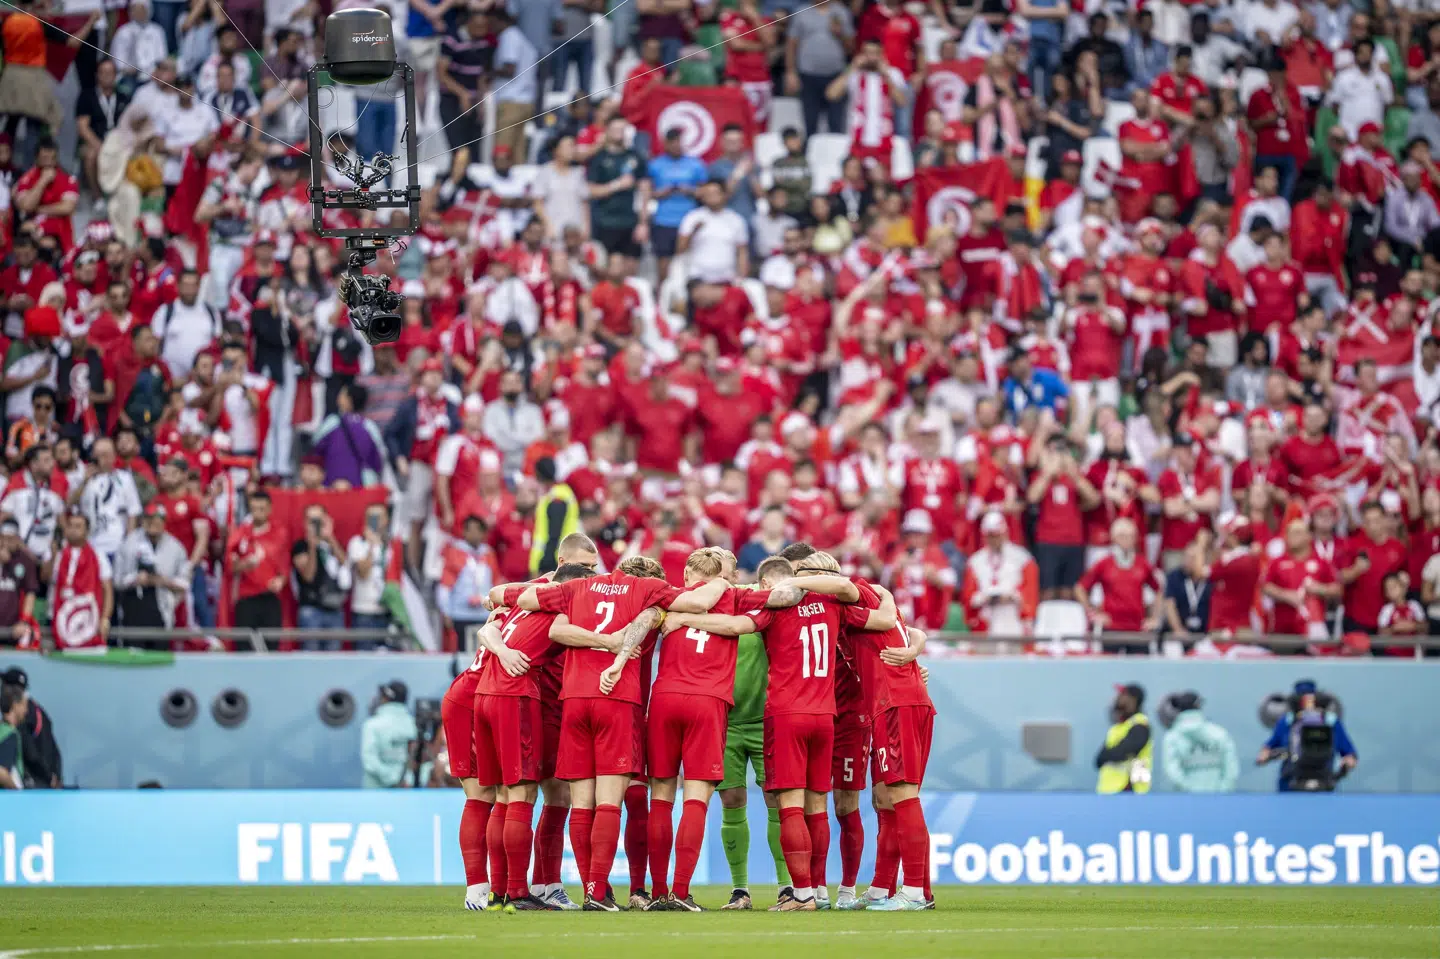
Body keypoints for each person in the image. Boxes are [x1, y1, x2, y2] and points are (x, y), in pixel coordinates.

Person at [495, 555, 731, 910]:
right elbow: (697, 601)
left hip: (573, 698)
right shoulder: (647, 592)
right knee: (613, 801)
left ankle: (593, 890)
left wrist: (507, 594)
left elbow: (531, 607)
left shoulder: (579, 587)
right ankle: (608, 889)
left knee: (581, 802)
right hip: (620, 699)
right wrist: (725, 581)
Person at [462, 562, 617, 911]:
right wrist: (609, 640)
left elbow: (487, 627)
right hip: (514, 694)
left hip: (485, 693)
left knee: (503, 794)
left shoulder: (523, 603)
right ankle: (517, 891)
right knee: (521, 793)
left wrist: (501, 650)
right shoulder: (559, 604)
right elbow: (563, 634)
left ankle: (499, 891)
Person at [1258, 680, 1357, 791]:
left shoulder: (1331, 722)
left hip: (1324, 782)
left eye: (1311, 699)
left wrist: (1345, 766)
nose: (1309, 705)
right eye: (1304, 699)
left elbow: (1349, 754)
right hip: (1291, 783)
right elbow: (1267, 748)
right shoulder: (1287, 721)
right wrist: (1268, 755)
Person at [112, 503, 190, 630]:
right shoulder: (129, 543)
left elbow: (185, 583)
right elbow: (117, 579)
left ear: (164, 522)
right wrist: (136, 579)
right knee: (134, 647)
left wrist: (165, 581)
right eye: (149, 519)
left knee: (159, 647)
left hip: (163, 608)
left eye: (157, 520)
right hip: (134, 606)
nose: (152, 523)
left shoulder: (176, 548)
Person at [291, 504, 351, 648]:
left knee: (333, 660)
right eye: (311, 520)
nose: (315, 524)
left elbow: (345, 564)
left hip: (335, 609)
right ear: (305, 523)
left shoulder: (332, 545)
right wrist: (312, 546)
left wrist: (330, 538)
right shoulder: (301, 546)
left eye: (318, 520)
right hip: (311, 610)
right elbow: (308, 576)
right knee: (311, 658)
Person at [1160, 691, 1239, 793]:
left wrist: (1189, 789)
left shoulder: (1172, 737)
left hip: (1186, 801)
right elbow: (1231, 767)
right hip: (1218, 798)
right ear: (1199, 706)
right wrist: (1223, 789)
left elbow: (1171, 770)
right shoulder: (1220, 733)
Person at [0, 667, 60, 787]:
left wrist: (50, 777)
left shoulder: (27, 718)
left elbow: (34, 752)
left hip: (39, 780)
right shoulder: (9, 731)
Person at [1095, 683, 1152, 794]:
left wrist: (1107, 754)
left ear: (1133, 700)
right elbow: (1099, 760)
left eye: (1122, 695)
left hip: (1129, 789)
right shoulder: (1117, 728)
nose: (1117, 699)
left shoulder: (1140, 725)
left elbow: (1122, 752)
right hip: (1109, 790)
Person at [360, 680, 418, 789]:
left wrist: (393, 779)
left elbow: (369, 760)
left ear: (386, 698)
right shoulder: (414, 724)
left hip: (375, 794)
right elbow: (421, 762)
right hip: (408, 792)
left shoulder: (371, 725)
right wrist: (406, 780)